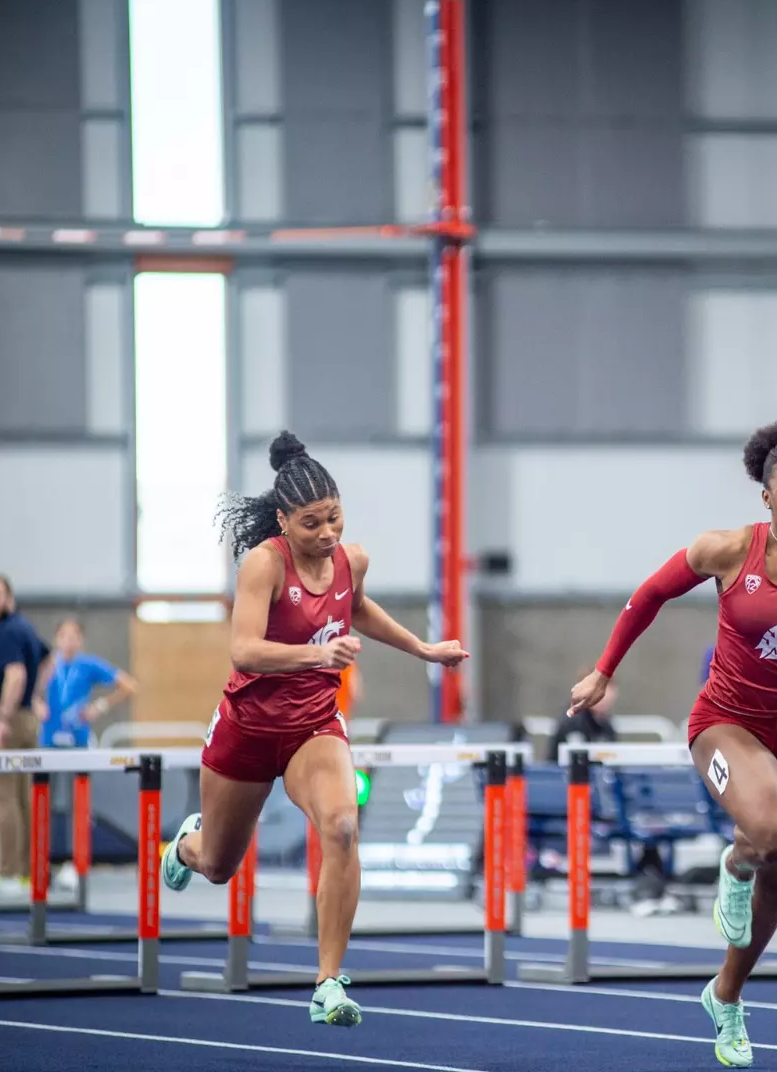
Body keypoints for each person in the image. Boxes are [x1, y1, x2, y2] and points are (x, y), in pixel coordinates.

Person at [568, 418, 777, 1069]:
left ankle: (726, 995)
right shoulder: (727, 550)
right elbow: (649, 595)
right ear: (766, 498)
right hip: (725, 721)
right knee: (772, 835)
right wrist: (604, 669)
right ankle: (735, 864)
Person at [160, 431, 469, 1028]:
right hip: (246, 731)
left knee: (343, 825)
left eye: (334, 519)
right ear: (283, 520)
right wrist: (314, 656)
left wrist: (424, 650)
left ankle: (328, 982)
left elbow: (358, 608)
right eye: (311, 524)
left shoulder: (352, 560)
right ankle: (186, 845)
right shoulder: (264, 564)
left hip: (313, 726)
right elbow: (245, 650)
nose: (326, 534)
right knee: (221, 866)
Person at [0, 573, 51, 894]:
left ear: (9, 596)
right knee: (23, 799)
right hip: (27, 717)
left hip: (7, 717)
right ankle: (28, 873)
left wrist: (4, 717)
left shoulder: (8, 631)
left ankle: (7, 873)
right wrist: (36, 696)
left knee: (4, 798)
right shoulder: (25, 627)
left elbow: (16, 674)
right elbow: (48, 659)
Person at [40, 617, 138, 749]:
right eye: (63, 636)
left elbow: (129, 685)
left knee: (81, 767)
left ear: (81, 640)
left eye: (73, 636)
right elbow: (27, 686)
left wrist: (99, 706)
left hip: (78, 735)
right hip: (50, 737)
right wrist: (36, 703)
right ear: (56, 639)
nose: (68, 641)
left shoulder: (88, 664)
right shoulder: (47, 663)